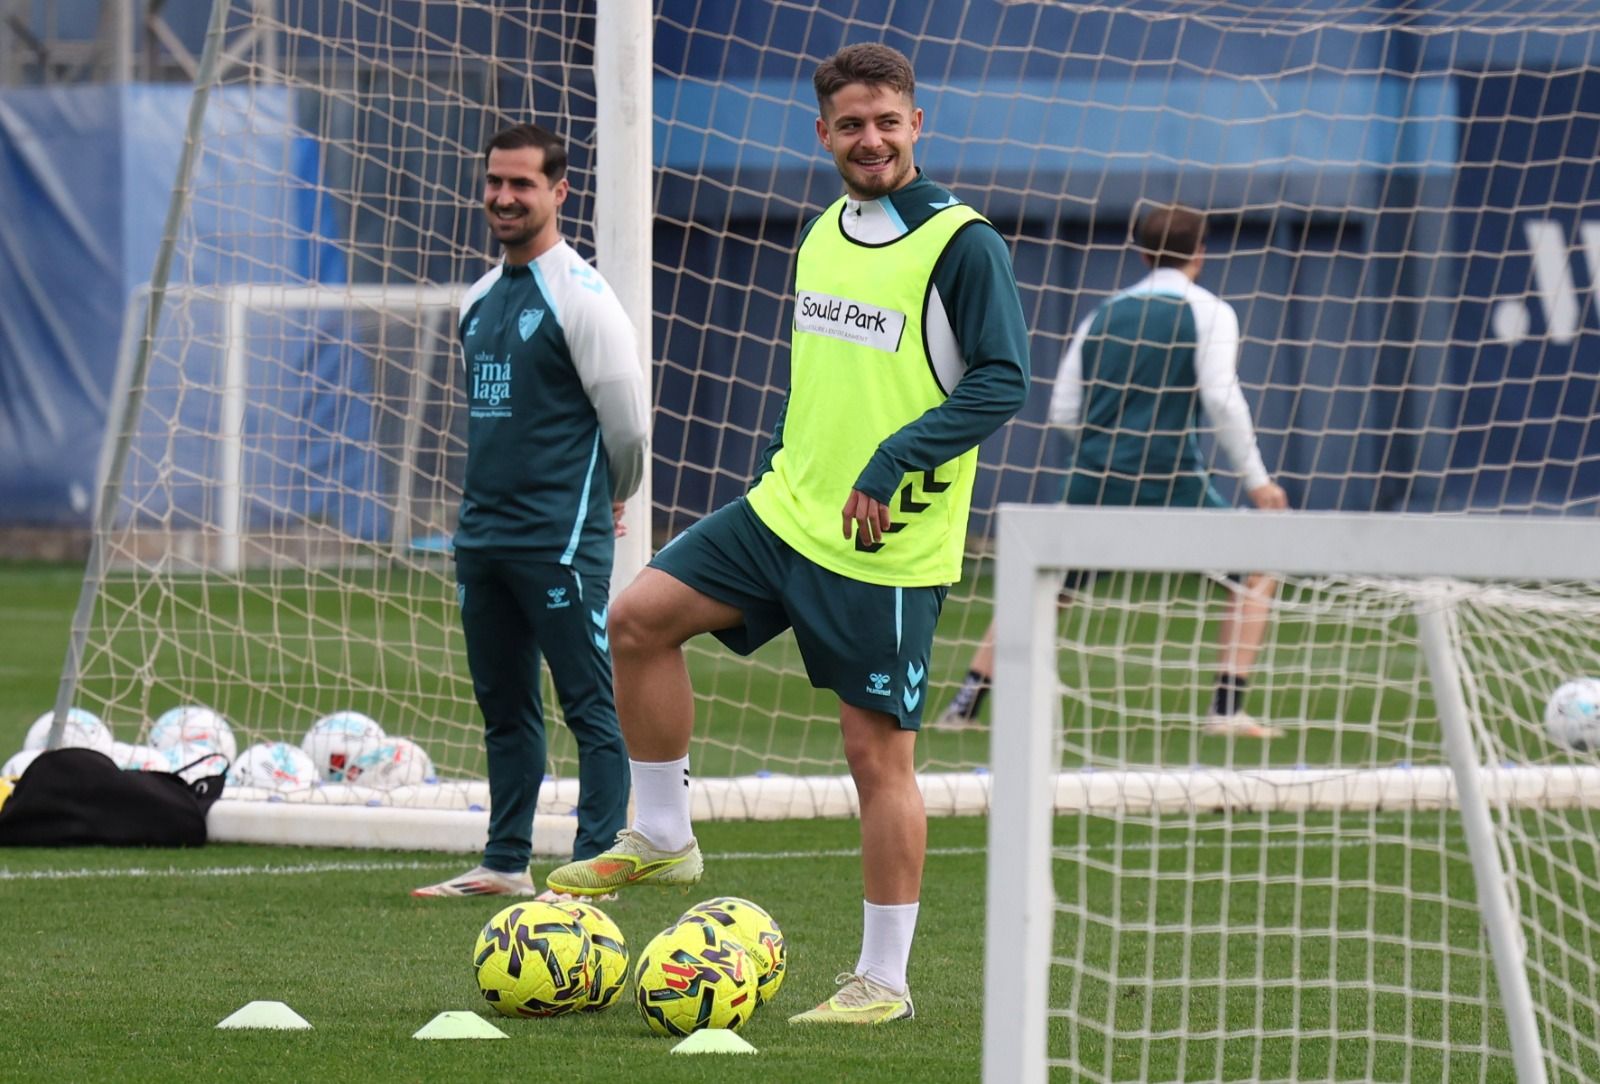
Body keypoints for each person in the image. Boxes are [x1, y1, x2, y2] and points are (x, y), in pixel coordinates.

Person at [544, 44, 1030, 1023]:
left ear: (916, 126)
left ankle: (881, 981)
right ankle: (661, 831)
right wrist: (784, 466)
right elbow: (823, 383)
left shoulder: (960, 242)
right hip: (783, 514)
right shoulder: (820, 234)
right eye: (851, 124)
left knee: (872, 755)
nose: (871, 139)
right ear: (823, 134)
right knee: (637, 617)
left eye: (888, 121)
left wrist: (890, 465)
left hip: (885, 545)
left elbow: (1001, 378)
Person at [931, 203, 1289, 738]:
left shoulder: (1102, 314)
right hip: (1173, 481)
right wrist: (1257, 480)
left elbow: (1063, 413)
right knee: (1257, 569)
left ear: (1142, 252)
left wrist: (1106, 451)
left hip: (1093, 480)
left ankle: (965, 703)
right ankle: (1227, 707)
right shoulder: (1211, 312)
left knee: (1044, 587)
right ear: (1201, 253)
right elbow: (1221, 398)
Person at [413, 123, 650, 899]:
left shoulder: (582, 298)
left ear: (559, 192)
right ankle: (504, 862)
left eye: (522, 184)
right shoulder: (478, 301)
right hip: (480, 539)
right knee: (503, 707)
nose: (504, 197)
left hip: (558, 542)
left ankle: (590, 871)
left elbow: (627, 425)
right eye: (495, 182)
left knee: (591, 705)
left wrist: (611, 496)